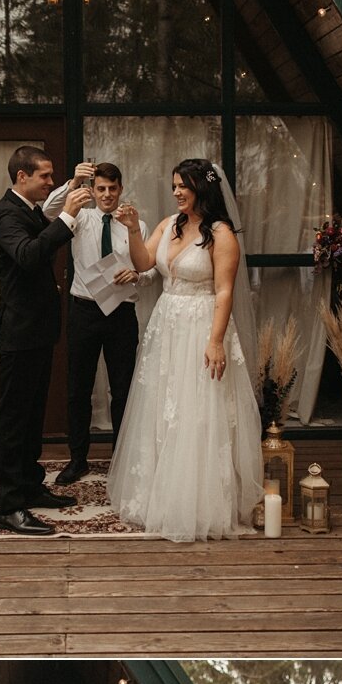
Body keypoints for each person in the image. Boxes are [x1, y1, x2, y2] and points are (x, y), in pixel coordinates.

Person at [108, 159, 265, 541]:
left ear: (202, 189)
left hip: (201, 323)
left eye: (184, 186)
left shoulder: (222, 234)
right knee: (163, 405)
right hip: (168, 324)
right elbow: (145, 261)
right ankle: (158, 494)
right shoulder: (169, 224)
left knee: (197, 409)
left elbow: (224, 290)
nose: (176, 192)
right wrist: (131, 229)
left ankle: (197, 501)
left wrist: (215, 341)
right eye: (174, 185)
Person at [0, 144, 92, 532]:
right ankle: (7, 507)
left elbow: (43, 236)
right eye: (45, 176)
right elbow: (30, 255)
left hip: (38, 330)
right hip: (18, 331)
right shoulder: (5, 216)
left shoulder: (28, 210)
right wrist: (69, 214)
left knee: (32, 417)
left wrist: (66, 202)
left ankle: (29, 487)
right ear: (22, 177)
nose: (51, 181)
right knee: (12, 421)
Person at [44, 162, 145, 489]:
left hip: (121, 313)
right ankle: (78, 460)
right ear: (93, 189)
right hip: (84, 312)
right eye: (100, 189)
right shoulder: (81, 218)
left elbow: (154, 264)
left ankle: (122, 458)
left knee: (123, 389)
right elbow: (48, 210)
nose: (106, 195)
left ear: (120, 189)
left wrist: (139, 275)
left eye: (112, 189)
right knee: (78, 388)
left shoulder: (135, 223)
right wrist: (73, 181)